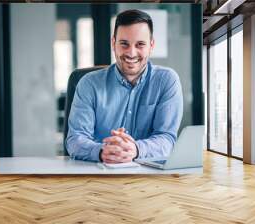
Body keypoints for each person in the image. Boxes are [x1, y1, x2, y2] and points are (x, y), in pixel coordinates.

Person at [66, 9, 183, 164]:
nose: (131, 53)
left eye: (140, 44)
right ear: (113, 43)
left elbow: (167, 139)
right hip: (97, 174)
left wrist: (135, 149)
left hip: (149, 177)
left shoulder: (167, 80)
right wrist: (102, 151)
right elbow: (75, 139)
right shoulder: (88, 84)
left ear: (151, 45)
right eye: (124, 44)